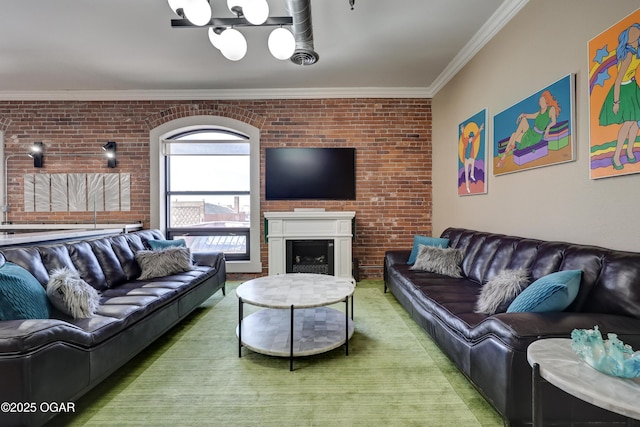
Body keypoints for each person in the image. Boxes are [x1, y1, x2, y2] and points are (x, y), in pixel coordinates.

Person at [598, 23, 640, 170]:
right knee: (628, 122)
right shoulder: (628, 54)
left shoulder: (636, 52)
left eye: (636, 32)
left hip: (633, 87)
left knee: (635, 122)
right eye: (631, 33)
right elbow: (618, 80)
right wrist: (616, 101)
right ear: (626, 39)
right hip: (623, 89)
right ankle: (616, 155)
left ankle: (629, 150)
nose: (634, 34)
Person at [496, 90, 560, 168]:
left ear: (546, 101)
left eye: (542, 101)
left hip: (536, 137)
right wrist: (522, 115)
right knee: (514, 133)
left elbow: (553, 121)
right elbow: (531, 116)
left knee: (515, 133)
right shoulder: (539, 112)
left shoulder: (551, 109)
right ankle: (503, 158)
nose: (540, 103)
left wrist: (548, 128)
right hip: (531, 132)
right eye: (540, 101)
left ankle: (505, 155)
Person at [459, 122, 483, 193]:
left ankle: (472, 175)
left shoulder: (472, 141)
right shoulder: (465, 140)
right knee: (466, 173)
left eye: (472, 138)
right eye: (471, 138)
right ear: (469, 137)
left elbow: (477, 136)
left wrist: (480, 130)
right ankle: (467, 187)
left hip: (471, 158)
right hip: (466, 159)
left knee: (473, 163)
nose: (472, 139)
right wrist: (462, 131)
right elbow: (463, 137)